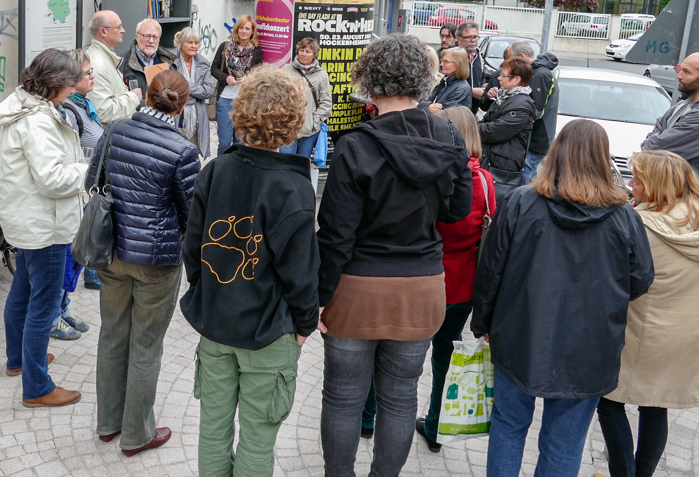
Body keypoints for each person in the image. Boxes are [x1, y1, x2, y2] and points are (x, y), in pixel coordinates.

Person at [317, 33, 472, 477]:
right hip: (421, 285)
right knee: (401, 397)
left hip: (357, 287)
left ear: (370, 78)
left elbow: (335, 234)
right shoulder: (449, 136)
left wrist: (319, 295)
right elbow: (458, 211)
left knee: (344, 397)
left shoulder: (354, 146)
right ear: (423, 79)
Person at [470, 118, 655, 477]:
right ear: (603, 159)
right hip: (590, 343)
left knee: (508, 426)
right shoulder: (624, 218)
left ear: (555, 154)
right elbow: (641, 280)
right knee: (564, 442)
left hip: (521, 330)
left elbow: (490, 270)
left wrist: (483, 322)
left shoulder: (521, 202)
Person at [181, 65, 319, 477]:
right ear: (293, 121)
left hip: (218, 323)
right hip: (269, 330)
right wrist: (305, 324)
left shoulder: (215, 171)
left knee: (213, 429)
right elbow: (301, 272)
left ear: (240, 112)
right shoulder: (294, 188)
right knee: (258, 436)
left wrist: (207, 294)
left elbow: (193, 247)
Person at [595, 150, 699, 477]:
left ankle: (623, 473)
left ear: (657, 186)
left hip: (642, 334)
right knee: (656, 407)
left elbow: (617, 278)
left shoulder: (641, 225)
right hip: (690, 335)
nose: (631, 184)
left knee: (608, 401)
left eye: (638, 180)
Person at [88, 70, 200, 456]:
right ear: (182, 106)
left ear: (146, 96)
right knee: (146, 344)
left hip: (111, 250)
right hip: (156, 260)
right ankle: (136, 434)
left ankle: (108, 424)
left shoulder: (116, 129)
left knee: (112, 334)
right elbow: (192, 214)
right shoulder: (183, 149)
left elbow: (93, 181)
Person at [0, 48, 88, 407]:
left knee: (22, 291)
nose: (75, 88)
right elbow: (52, 179)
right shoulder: (38, 121)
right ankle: (37, 387)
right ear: (55, 84)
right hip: (45, 225)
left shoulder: (23, 105)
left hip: (28, 219)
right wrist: (88, 169)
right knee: (44, 306)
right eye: (70, 82)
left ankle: (19, 360)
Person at [415, 105, 497, 453]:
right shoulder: (485, 181)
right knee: (444, 359)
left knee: (395, 356)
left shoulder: (428, 175)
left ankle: (370, 418)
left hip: (423, 278)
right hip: (463, 284)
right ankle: (436, 427)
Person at [48, 48, 104, 341]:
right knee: (68, 259)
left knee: (75, 259)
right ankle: (53, 316)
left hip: (85, 192)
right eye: (86, 72)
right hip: (76, 193)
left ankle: (63, 307)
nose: (92, 75)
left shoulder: (84, 104)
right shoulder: (68, 110)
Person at [641, 52, 699, 196]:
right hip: (671, 195)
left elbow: (652, 147)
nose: (679, 75)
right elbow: (655, 136)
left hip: (687, 200)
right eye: (680, 69)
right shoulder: (684, 105)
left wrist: (652, 141)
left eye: (686, 72)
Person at [485, 40, 559, 183]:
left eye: (511, 60)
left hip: (535, 142)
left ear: (521, 56)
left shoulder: (540, 75)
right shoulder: (536, 72)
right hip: (529, 141)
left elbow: (533, 111)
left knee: (521, 183)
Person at [477, 57, 537, 204]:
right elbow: (486, 121)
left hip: (503, 171)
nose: (499, 78)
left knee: (495, 210)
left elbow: (494, 131)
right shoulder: (504, 98)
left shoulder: (522, 105)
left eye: (503, 75)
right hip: (491, 162)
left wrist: (469, 127)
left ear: (516, 79)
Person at [211, 15, 264, 154]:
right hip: (225, 99)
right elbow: (214, 69)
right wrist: (226, 77)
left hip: (245, 101)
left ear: (252, 31)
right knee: (224, 142)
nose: (244, 31)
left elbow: (259, 75)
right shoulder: (225, 47)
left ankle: (237, 171)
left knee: (241, 142)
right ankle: (221, 171)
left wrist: (249, 81)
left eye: (247, 28)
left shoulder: (256, 51)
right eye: (241, 27)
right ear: (237, 28)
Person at [85, 10, 142, 123]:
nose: (123, 30)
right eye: (118, 27)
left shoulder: (105, 58)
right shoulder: (97, 65)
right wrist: (133, 97)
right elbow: (102, 112)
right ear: (103, 31)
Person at [280, 37, 332, 157]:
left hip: (309, 131)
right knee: (285, 164)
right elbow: (277, 97)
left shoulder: (321, 75)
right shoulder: (286, 70)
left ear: (314, 55)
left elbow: (326, 103)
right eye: (301, 50)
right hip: (288, 129)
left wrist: (314, 123)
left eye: (308, 52)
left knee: (302, 165)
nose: (303, 54)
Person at [173, 26, 215, 157]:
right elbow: (170, 88)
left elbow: (208, 90)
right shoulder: (171, 62)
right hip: (176, 116)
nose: (193, 46)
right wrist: (196, 90)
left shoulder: (203, 63)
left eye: (196, 43)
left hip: (197, 118)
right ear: (180, 43)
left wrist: (184, 85)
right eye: (189, 42)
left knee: (192, 157)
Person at [120, 18, 176, 102]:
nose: (151, 41)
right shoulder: (121, 62)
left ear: (159, 39)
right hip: (134, 114)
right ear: (137, 37)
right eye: (147, 36)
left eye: (155, 37)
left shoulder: (169, 64)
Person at [419, 47, 472, 113]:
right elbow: (421, 101)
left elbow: (447, 114)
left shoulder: (462, 89)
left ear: (458, 64)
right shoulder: (444, 82)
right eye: (442, 61)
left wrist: (428, 108)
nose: (441, 64)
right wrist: (428, 106)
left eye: (446, 62)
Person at [455, 21, 489, 114]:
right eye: (469, 37)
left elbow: (481, 77)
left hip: (473, 110)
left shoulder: (479, 56)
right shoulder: (452, 57)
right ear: (459, 39)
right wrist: (471, 91)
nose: (473, 40)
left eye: (475, 37)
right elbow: (447, 84)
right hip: (456, 109)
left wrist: (484, 86)